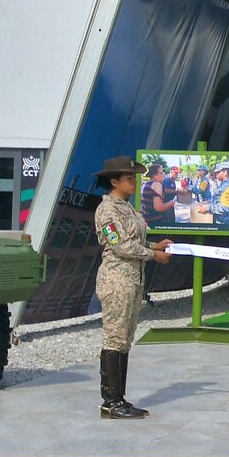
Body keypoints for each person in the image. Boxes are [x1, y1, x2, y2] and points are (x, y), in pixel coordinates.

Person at [91, 156, 172, 419]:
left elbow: (134, 240)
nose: (134, 182)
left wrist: (155, 245)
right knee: (114, 338)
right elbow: (119, 245)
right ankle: (110, 402)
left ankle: (120, 398)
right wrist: (153, 255)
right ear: (114, 181)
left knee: (124, 340)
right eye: (129, 178)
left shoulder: (127, 207)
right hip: (117, 280)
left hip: (133, 280)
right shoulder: (107, 211)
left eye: (134, 178)